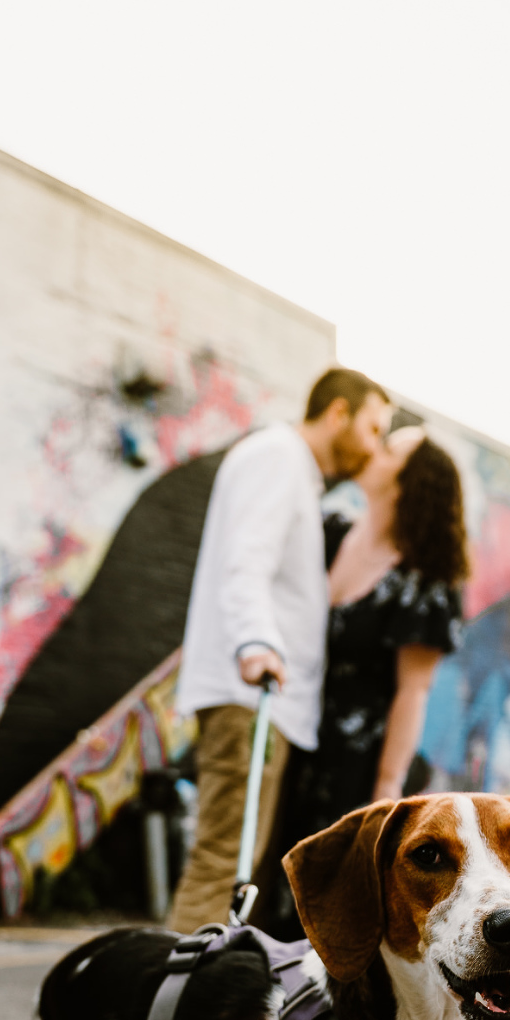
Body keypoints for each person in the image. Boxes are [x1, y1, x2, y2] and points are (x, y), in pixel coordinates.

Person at [167, 366, 391, 934]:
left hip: (264, 702)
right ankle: (169, 1007)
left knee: (242, 866)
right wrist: (258, 642)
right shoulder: (277, 458)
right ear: (337, 413)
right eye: (372, 428)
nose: (375, 446)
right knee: (224, 859)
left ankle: (200, 1001)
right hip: (251, 696)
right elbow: (246, 560)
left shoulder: (294, 471)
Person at [265, 427, 469, 934]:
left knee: (328, 906)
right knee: (273, 884)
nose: (372, 450)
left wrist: (386, 789)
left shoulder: (421, 579)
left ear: (407, 481)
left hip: (358, 760)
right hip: (296, 734)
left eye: (389, 448)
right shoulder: (331, 532)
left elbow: (412, 691)